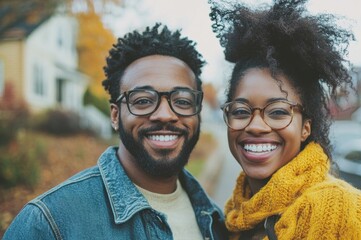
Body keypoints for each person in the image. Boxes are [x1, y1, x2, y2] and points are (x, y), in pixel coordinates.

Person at [4, 23, 227, 239]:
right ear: (115, 115)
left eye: (182, 101)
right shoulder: (49, 223)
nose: (165, 114)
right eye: (142, 100)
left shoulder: (216, 220)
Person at [209, 0, 361, 239]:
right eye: (240, 111)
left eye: (277, 111)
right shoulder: (233, 220)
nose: (255, 126)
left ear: (305, 127)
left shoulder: (344, 211)